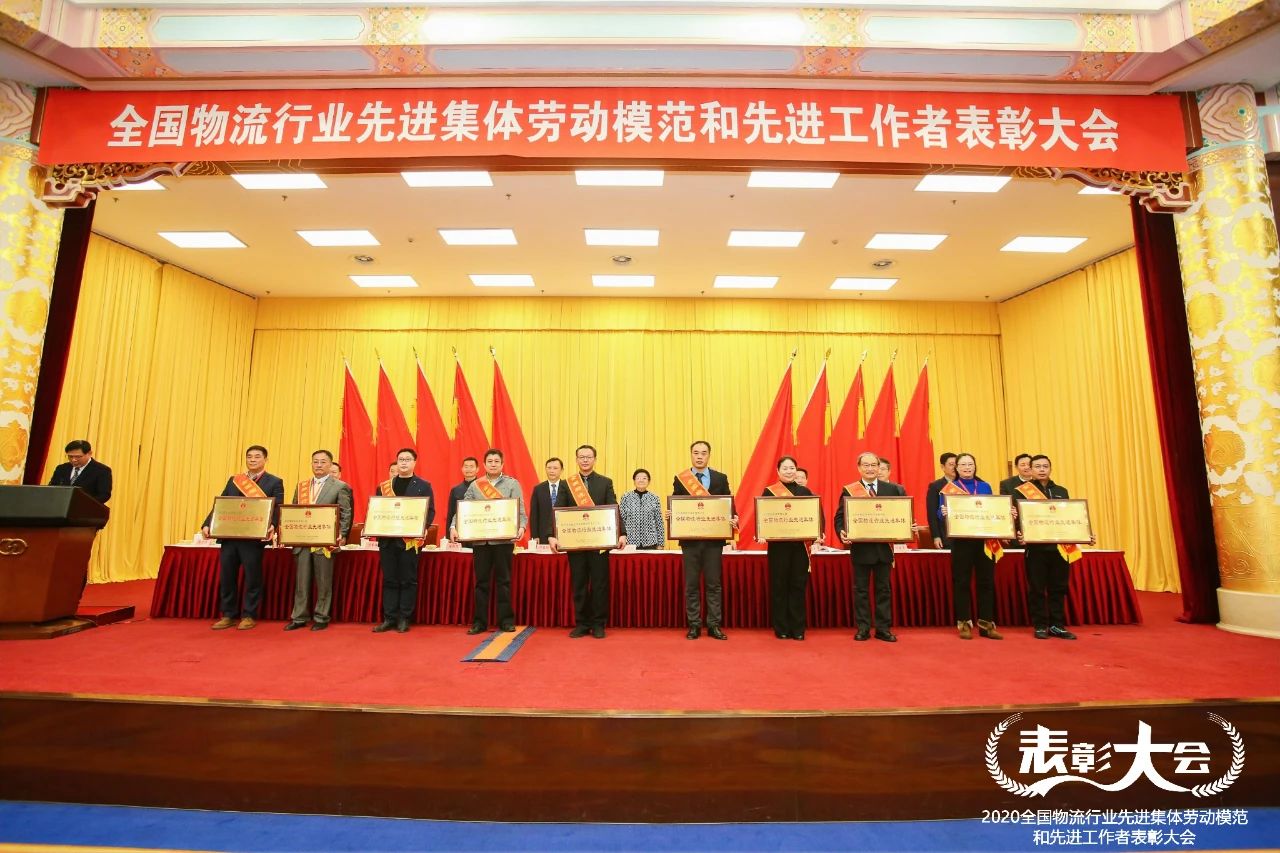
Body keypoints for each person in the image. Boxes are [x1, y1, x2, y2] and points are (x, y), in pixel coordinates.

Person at [201, 445, 285, 631]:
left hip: (253, 539)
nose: (253, 459)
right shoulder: (235, 480)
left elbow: (277, 507)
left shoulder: (274, 482)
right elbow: (221, 504)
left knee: (253, 578)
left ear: (265, 460)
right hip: (230, 537)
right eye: (249, 456)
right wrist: (207, 524)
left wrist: (273, 524)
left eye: (257, 456)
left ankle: (249, 615)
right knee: (227, 577)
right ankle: (228, 615)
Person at [550, 444, 625, 638]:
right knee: (579, 584)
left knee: (600, 585)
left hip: (599, 543)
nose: (585, 460)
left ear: (594, 459)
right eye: (581, 457)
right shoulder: (567, 484)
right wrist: (553, 535)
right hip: (575, 543)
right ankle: (582, 623)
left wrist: (621, 533)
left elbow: (614, 507)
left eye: (588, 457)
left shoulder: (605, 482)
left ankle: (599, 624)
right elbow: (558, 510)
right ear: (576, 460)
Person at [1014, 454, 1092, 640]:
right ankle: (1040, 625)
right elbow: (1017, 519)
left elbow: (1070, 517)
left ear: (1050, 468)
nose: (1042, 469)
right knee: (1037, 589)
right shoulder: (1021, 492)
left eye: (1045, 466)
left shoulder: (1061, 491)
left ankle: (1057, 625)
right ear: (1030, 470)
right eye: (1037, 466)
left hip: (1059, 548)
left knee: (1059, 588)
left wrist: (1084, 534)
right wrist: (1020, 534)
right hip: (1036, 549)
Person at [453, 448, 526, 635]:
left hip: (503, 542)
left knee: (504, 582)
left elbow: (520, 511)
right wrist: (454, 526)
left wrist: (521, 527)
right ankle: (480, 622)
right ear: (484, 465)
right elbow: (463, 508)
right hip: (481, 542)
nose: (493, 464)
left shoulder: (512, 484)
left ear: (502, 464)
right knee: (481, 583)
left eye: (496, 461)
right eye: (490, 461)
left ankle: (506, 621)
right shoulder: (476, 485)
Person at [834, 451, 905, 643]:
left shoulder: (893, 489)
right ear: (859, 468)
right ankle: (863, 628)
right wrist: (841, 531)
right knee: (861, 591)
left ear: (879, 467)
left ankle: (883, 629)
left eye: (874, 465)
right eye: (866, 465)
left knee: (884, 590)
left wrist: (909, 526)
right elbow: (840, 517)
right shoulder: (850, 490)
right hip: (861, 549)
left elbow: (902, 515)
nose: (870, 468)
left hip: (884, 549)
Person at [669, 441, 736, 640]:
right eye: (696, 453)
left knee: (713, 584)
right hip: (690, 541)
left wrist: (734, 517)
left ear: (709, 455)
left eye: (703, 453)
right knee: (691, 585)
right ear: (691, 455)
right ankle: (694, 625)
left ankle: (714, 625)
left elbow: (728, 503)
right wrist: (671, 514)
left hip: (714, 541)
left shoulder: (720, 478)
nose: (699, 456)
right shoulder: (681, 479)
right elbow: (677, 503)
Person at [284, 449, 353, 632]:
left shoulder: (340, 486)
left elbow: (345, 513)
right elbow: (294, 511)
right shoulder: (302, 486)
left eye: (323, 462)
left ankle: (321, 616)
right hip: (302, 541)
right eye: (315, 461)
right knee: (301, 582)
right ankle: (299, 617)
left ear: (330, 465)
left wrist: (342, 534)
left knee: (323, 582)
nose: (319, 465)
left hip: (325, 541)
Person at [939, 452, 1004, 640]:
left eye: (970, 464)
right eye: (963, 465)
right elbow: (939, 514)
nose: (967, 468)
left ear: (975, 467)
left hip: (984, 541)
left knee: (986, 582)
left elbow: (993, 508)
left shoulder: (984, 486)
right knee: (962, 583)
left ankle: (986, 624)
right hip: (961, 542)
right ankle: (964, 624)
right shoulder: (949, 489)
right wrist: (943, 512)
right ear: (956, 468)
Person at [373, 448, 434, 634]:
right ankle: (389, 618)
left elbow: (430, 511)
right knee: (389, 579)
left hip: (409, 540)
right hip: (388, 541)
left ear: (414, 463)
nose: (404, 462)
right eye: (401, 459)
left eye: (408, 459)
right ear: (396, 462)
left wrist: (422, 528)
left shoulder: (423, 486)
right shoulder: (384, 487)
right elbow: (377, 511)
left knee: (408, 580)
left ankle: (404, 618)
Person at [763, 456, 819, 640]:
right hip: (778, 548)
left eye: (792, 468)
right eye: (785, 468)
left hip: (799, 548)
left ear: (796, 470)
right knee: (779, 587)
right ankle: (781, 628)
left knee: (797, 587)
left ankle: (798, 628)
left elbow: (816, 515)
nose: (789, 471)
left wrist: (818, 533)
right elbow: (763, 517)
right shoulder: (769, 492)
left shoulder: (805, 491)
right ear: (778, 471)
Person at [49, 440, 112, 506]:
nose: (73, 460)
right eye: (70, 456)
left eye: (78, 456)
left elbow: (104, 495)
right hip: (60, 507)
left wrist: (83, 504)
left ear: (89, 453)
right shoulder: (61, 468)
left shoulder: (102, 470)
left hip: (86, 509)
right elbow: (52, 488)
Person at [620, 469, 665, 550]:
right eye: (638, 478)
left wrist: (661, 543)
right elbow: (621, 519)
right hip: (630, 542)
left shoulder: (654, 498)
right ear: (634, 481)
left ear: (649, 481)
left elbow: (659, 522)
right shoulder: (626, 497)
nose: (641, 480)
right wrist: (621, 537)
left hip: (650, 542)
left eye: (644, 478)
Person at [925, 452, 958, 549]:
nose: (954, 467)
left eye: (956, 464)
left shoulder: (964, 484)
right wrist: (936, 536)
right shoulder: (935, 486)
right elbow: (931, 513)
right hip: (945, 535)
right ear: (943, 467)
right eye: (951, 464)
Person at [527, 457, 563, 545]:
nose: (551, 471)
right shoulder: (538, 489)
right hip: (543, 534)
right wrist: (535, 536)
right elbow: (534, 514)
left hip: (563, 532)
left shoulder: (567, 487)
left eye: (555, 468)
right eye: (549, 468)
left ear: (562, 470)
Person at [445, 456, 479, 541]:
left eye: (471, 466)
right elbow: (451, 513)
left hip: (478, 530)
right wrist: (449, 536)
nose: (468, 469)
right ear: (462, 469)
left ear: (477, 469)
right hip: (460, 532)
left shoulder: (483, 488)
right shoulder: (456, 490)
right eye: (466, 466)